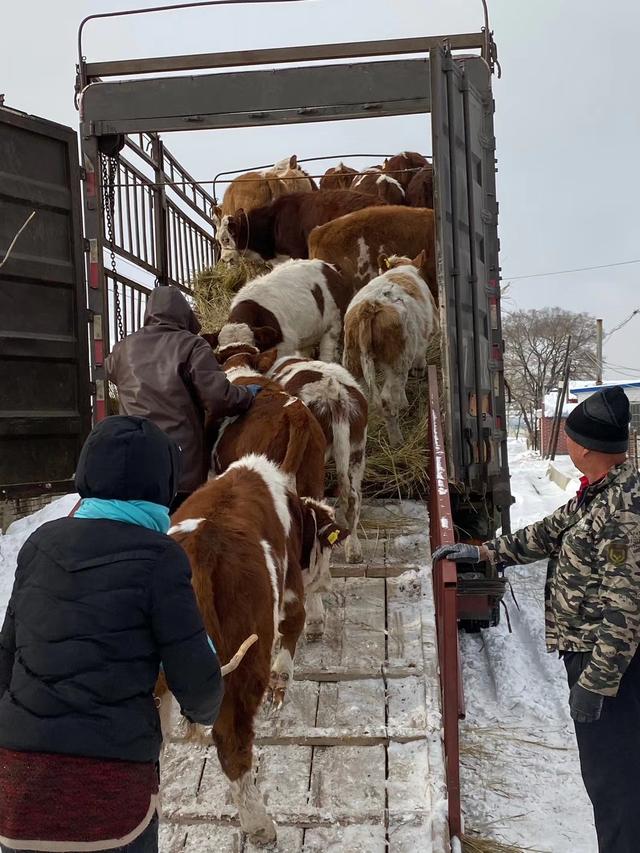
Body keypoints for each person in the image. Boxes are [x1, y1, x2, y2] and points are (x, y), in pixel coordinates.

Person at [0, 416, 223, 853]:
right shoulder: (161, 559)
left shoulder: (40, 543)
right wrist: (205, 711)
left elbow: (6, 654)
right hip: (109, 792)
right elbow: (195, 675)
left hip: (18, 788)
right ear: (164, 484)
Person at [433, 385, 640, 853]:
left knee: (616, 783)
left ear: (585, 447)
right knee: (611, 778)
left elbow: (626, 609)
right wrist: (485, 552)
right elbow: (550, 531)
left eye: (570, 436)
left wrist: (597, 683)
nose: (566, 443)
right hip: (593, 661)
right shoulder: (600, 492)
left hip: (610, 670)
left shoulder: (624, 509)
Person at [105, 285, 260, 510]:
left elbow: (110, 371)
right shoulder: (191, 345)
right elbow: (218, 397)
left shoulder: (122, 349)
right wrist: (246, 396)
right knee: (178, 532)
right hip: (179, 467)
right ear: (185, 313)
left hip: (134, 462)